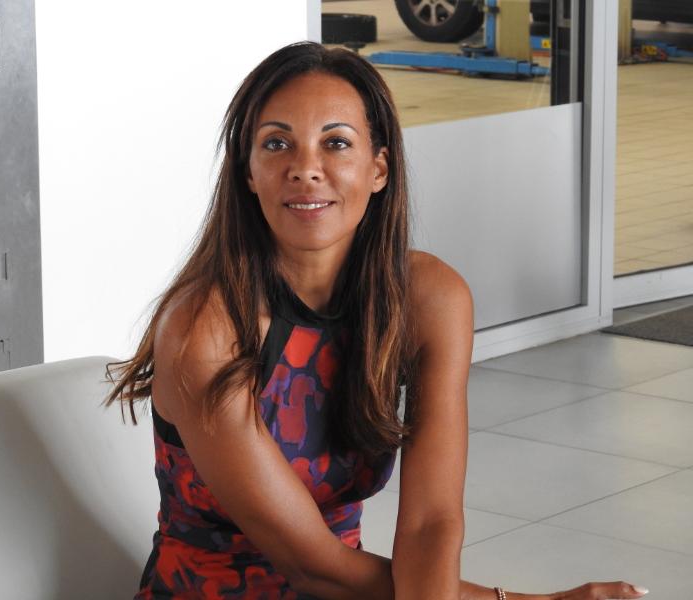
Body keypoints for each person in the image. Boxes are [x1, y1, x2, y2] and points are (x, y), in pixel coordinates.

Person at [106, 41, 650, 600]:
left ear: (378, 169)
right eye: (277, 143)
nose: (305, 169)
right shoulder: (204, 327)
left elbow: (430, 523)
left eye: (336, 143)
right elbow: (310, 564)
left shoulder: (428, 298)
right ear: (249, 172)